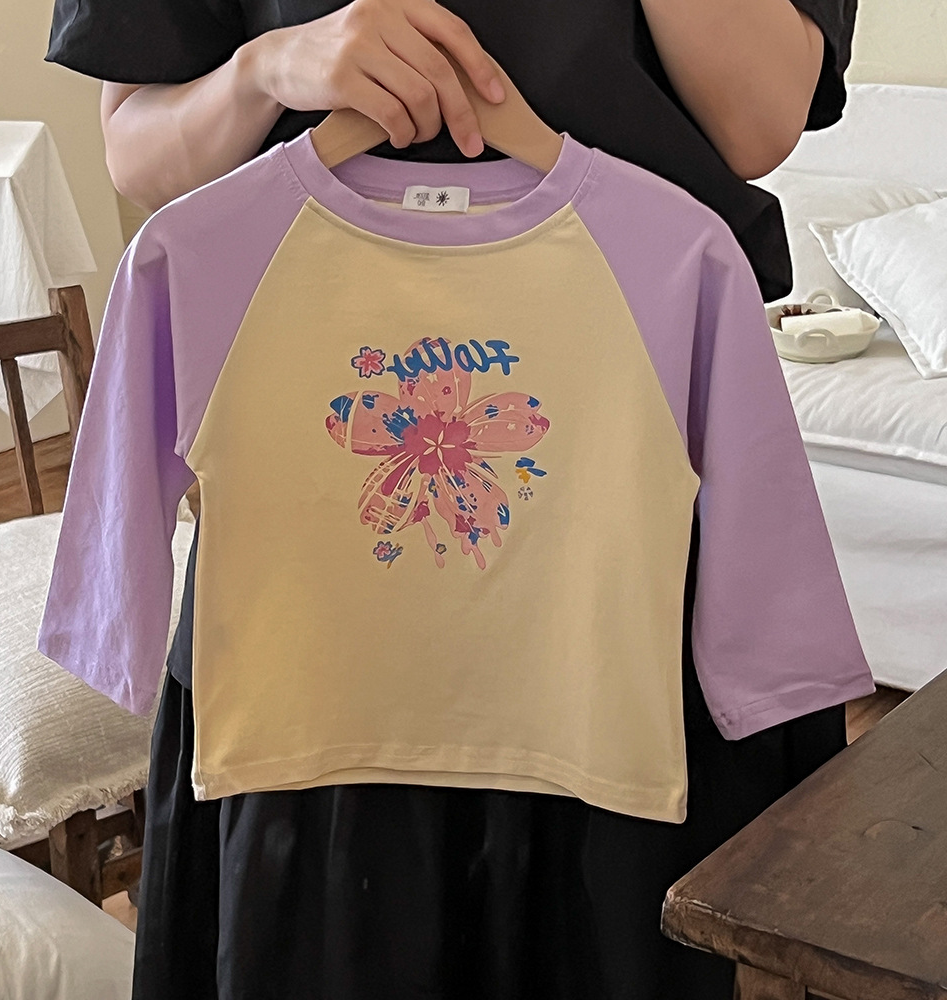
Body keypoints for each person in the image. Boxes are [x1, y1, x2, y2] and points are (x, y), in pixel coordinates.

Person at [44, 2, 857, 997]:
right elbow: (135, 147)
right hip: (311, 654)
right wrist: (265, 68)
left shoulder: (687, 260)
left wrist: (775, 676)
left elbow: (758, 120)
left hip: (609, 606)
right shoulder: (188, 258)